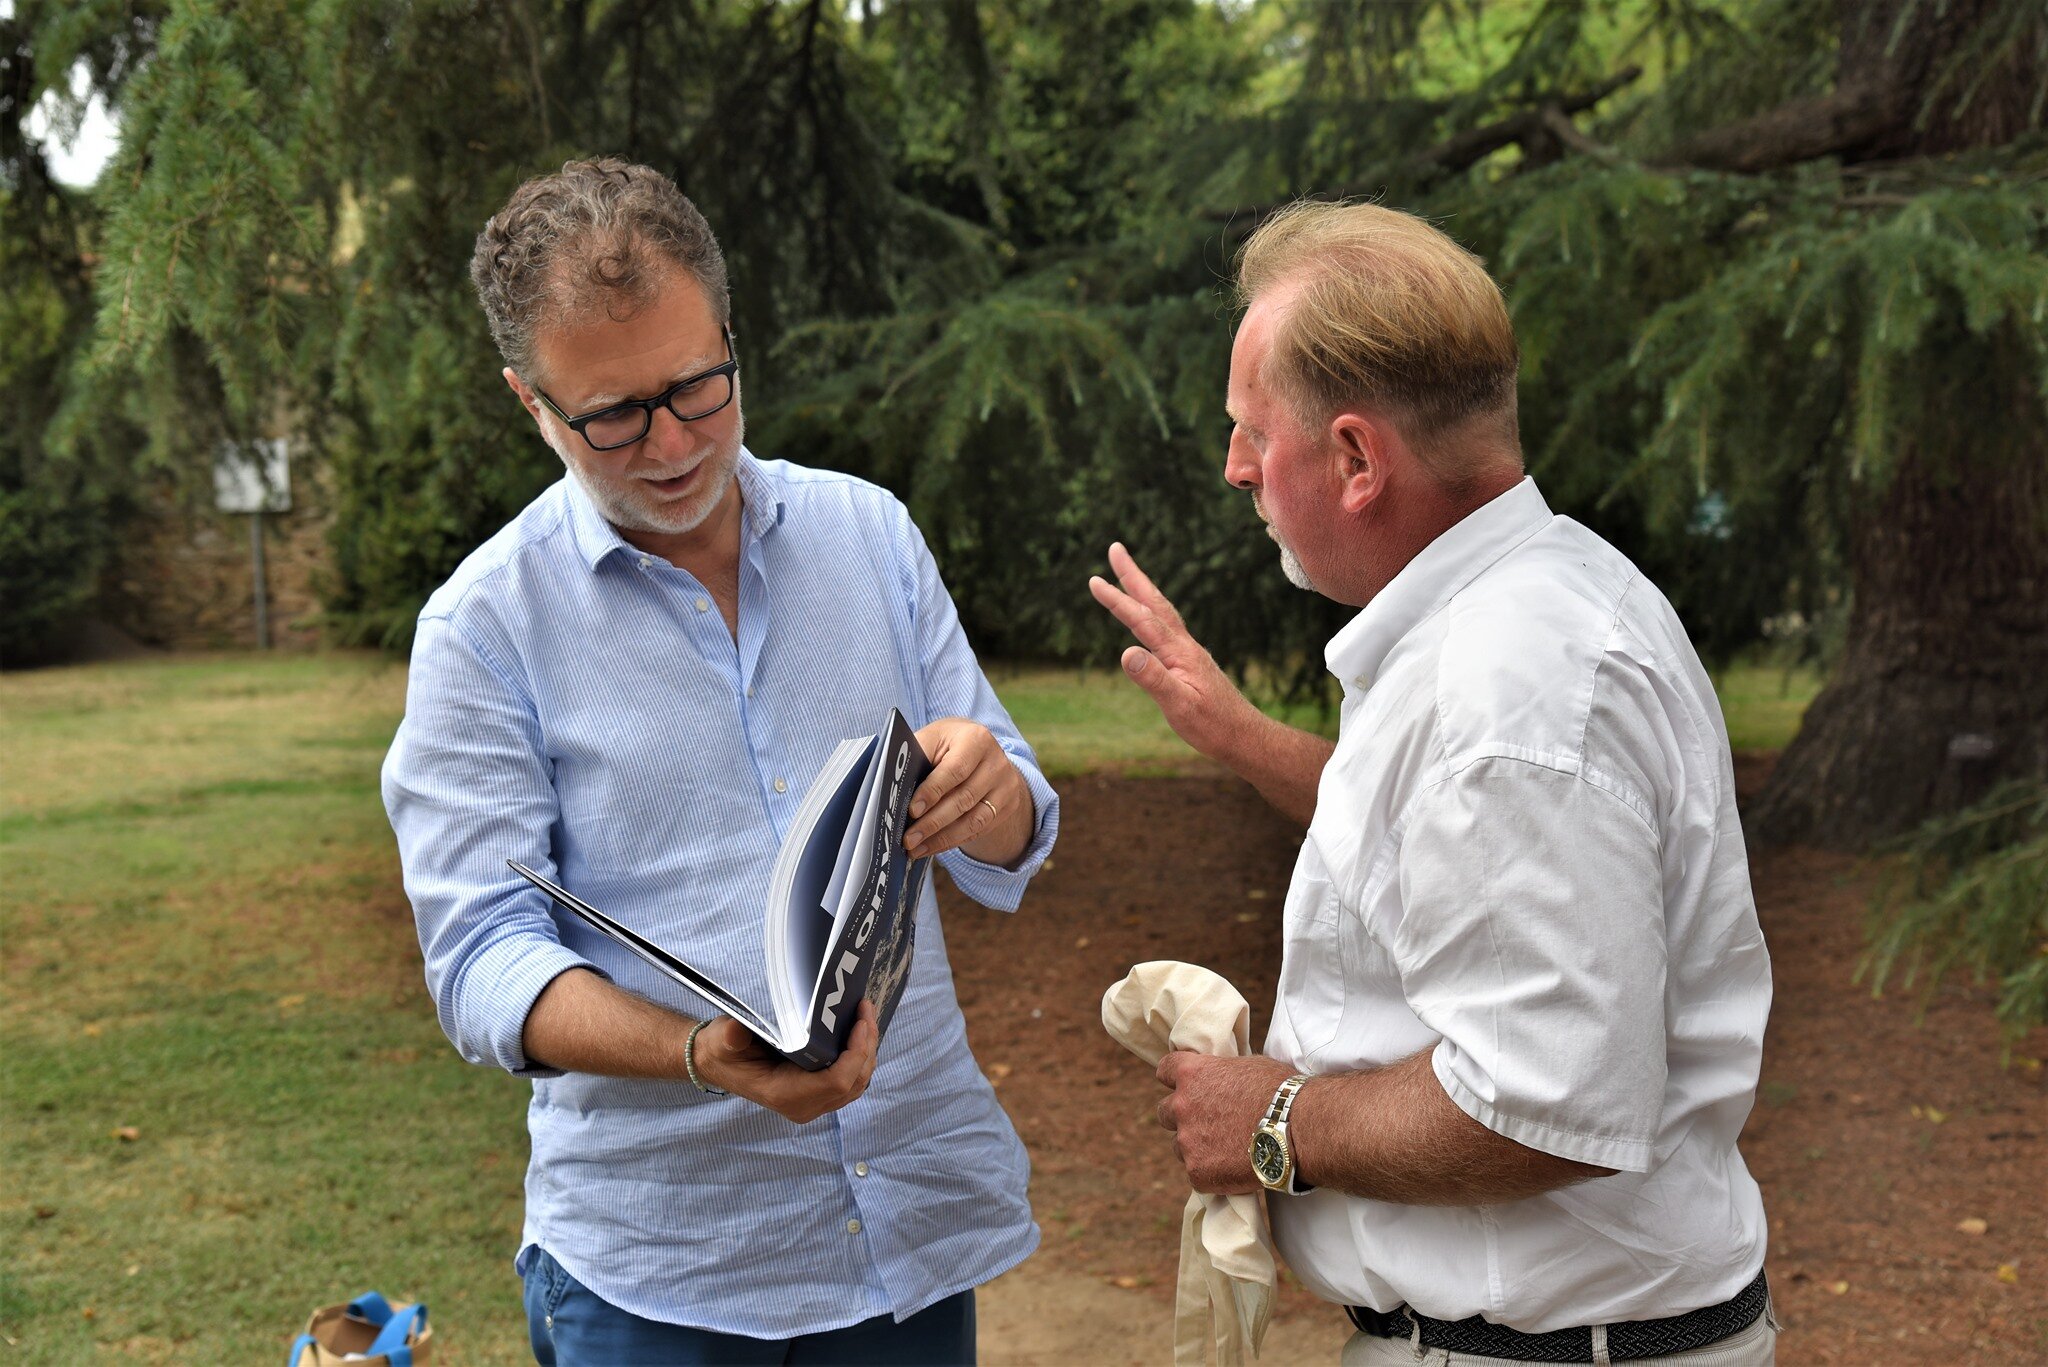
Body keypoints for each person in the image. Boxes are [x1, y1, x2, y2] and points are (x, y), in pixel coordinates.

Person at [381, 157, 1058, 1365]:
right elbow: (481, 961)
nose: (672, 443)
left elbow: (1015, 817)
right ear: (527, 401)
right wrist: (695, 1052)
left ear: (731, 337)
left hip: (905, 1225)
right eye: (611, 415)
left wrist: (989, 791)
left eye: (699, 386)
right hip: (663, 1271)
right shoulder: (483, 627)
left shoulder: (868, 533)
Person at [1090, 201, 1775, 1365]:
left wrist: (1270, 1119)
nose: (1234, 466)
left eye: (1254, 429)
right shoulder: (1528, 604)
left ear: (1357, 457)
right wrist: (1239, 732)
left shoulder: (1508, 684)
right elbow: (1434, 846)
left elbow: (1541, 1100)